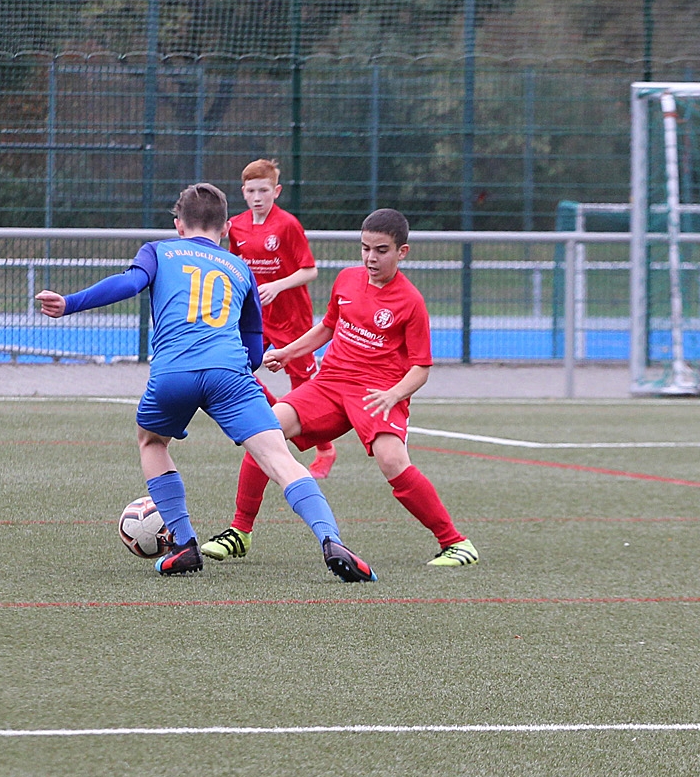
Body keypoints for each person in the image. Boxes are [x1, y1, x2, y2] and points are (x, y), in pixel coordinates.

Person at [34, 182, 376, 582]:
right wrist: (236, 379)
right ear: (227, 228)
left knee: (151, 441)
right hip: (229, 373)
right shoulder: (240, 268)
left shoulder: (158, 251)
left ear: (178, 225)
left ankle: (184, 543)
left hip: (174, 373)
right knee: (279, 459)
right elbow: (253, 348)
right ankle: (331, 540)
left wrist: (70, 303)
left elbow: (128, 284)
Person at [200, 208, 479, 567]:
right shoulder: (347, 280)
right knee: (265, 432)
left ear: (402, 252)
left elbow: (421, 368)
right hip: (330, 384)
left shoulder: (410, 301)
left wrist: (394, 394)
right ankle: (240, 532)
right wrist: (288, 352)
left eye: (381, 250)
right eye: (365, 248)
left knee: (392, 461)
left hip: (377, 393)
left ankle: (455, 543)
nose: (371, 257)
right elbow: (328, 327)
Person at [226, 159, 336, 479]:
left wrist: (277, 285)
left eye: (263, 190)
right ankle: (277, 415)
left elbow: (309, 270)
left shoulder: (287, 225)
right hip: (255, 317)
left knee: (304, 386)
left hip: (291, 317)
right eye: (251, 191)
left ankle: (325, 449)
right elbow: (234, 266)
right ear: (243, 192)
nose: (257, 197)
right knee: (238, 366)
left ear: (276, 191)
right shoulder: (236, 226)